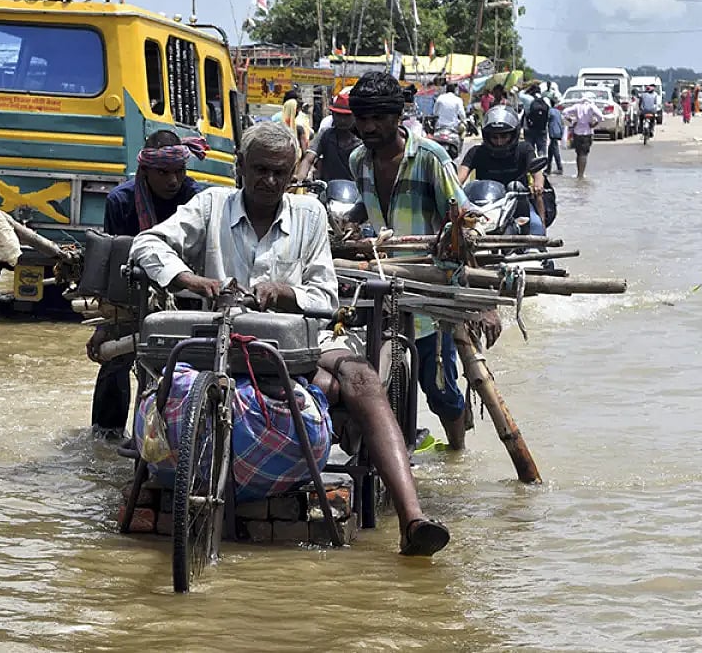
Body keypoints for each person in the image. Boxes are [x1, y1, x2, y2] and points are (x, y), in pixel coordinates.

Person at [130, 121, 450, 556]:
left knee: (360, 382)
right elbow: (147, 244)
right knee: (316, 388)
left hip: (302, 339)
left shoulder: (310, 214)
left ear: (293, 173)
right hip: (221, 340)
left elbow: (324, 294)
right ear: (240, 167)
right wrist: (189, 278)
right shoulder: (210, 205)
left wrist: (285, 294)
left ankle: (412, 519)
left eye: (280, 173)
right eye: (260, 169)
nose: (269, 181)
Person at [346, 71, 498, 451]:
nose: (368, 127)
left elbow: (465, 223)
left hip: (431, 295)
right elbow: (368, 207)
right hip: (382, 293)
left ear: (398, 117)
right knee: (380, 383)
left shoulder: (430, 158)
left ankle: (457, 452)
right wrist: (344, 225)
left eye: (377, 118)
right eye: (362, 118)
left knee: (439, 388)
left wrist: (483, 301)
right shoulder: (357, 161)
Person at [89, 130, 206, 439]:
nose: (173, 180)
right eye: (164, 173)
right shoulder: (121, 202)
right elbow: (117, 263)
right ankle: (105, 436)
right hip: (133, 293)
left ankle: (183, 435)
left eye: (179, 171)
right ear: (145, 171)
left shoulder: (195, 199)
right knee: (116, 358)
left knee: (188, 364)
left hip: (185, 295)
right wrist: (106, 324)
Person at [457, 106, 548, 236]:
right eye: (494, 137)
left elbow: (537, 173)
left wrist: (538, 184)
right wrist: (451, 188)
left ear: (513, 134)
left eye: (504, 136)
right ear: (487, 135)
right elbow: (458, 178)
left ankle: (541, 246)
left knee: (536, 226)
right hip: (484, 209)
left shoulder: (524, 149)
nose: (499, 141)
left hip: (518, 206)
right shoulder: (476, 152)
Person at [300, 93, 361, 182]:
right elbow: (309, 159)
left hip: (355, 191)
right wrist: (299, 177)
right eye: (338, 115)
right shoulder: (326, 135)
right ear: (332, 114)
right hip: (328, 189)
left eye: (347, 116)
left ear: (355, 116)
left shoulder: (362, 140)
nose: (342, 120)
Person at [562, 91, 605, 179]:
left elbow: (564, 112)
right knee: (584, 154)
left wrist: (572, 121)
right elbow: (601, 117)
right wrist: (594, 124)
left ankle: (578, 173)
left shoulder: (577, 106)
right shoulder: (591, 107)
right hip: (587, 133)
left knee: (578, 153)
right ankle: (581, 175)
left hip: (577, 132)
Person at [522, 88, 551, 159]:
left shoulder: (527, 99)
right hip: (542, 128)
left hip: (529, 128)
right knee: (542, 148)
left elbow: (520, 94)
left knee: (529, 148)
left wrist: (526, 89)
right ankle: (542, 165)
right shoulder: (546, 100)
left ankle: (530, 164)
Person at [546, 101, 565, 175]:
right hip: (558, 131)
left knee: (555, 150)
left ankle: (559, 168)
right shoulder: (557, 111)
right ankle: (548, 168)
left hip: (553, 132)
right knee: (551, 151)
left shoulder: (550, 111)